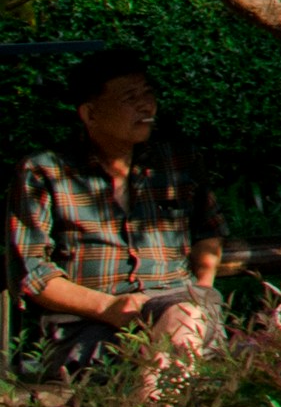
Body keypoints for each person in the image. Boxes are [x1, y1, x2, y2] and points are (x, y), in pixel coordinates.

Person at [9, 45, 224, 385]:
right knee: (165, 349)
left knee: (182, 321)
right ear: (89, 113)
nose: (146, 105)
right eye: (129, 98)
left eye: (148, 94)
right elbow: (34, 274)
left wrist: (198, 290)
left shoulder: (178, 161)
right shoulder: (44, 172)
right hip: (84, 326)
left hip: (181, 308)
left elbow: (207, 235)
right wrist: (109, 308)